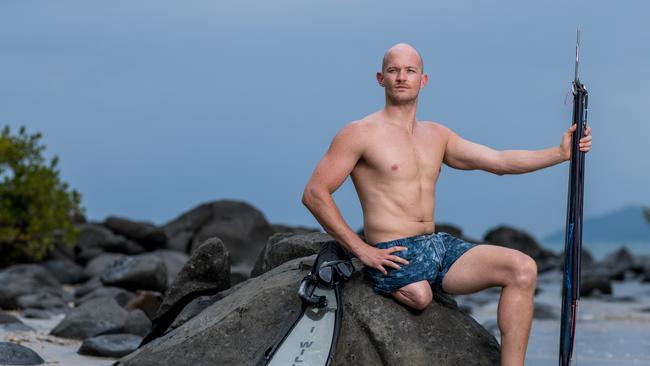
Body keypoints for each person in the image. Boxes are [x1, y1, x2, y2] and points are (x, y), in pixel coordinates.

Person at [301, 43, 592, 365]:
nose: (401, 77)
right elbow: (315, 193)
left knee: (522, 268)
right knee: (420, 296)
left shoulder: (437, 135)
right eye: (394, 70)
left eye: (409, 71)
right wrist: (361, 250)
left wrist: (560, 153)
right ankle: (384, 277)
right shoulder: (359, 133)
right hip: (394, 251)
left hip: (437, 246)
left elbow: (497, 160)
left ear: (422, 80)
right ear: (380, 78)